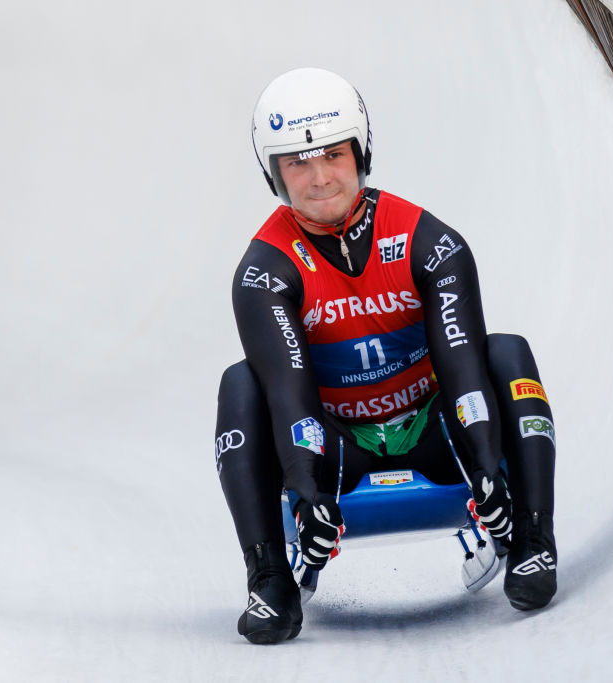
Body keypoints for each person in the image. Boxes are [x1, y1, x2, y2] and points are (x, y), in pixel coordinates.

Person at [215, 67, 557, 645]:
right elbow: (288, 397)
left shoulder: (428, 239)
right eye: (297, 163)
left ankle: (531, 538)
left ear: (360, 151)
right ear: (272, 173)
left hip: (438, 436)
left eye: (332, 155)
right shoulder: (262, 271)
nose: (319, 178)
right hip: (335, 450)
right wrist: (306, 495)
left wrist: (486, 465)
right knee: (240, 384)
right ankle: (270, 578)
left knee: (506, 352)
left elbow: (463, 365)